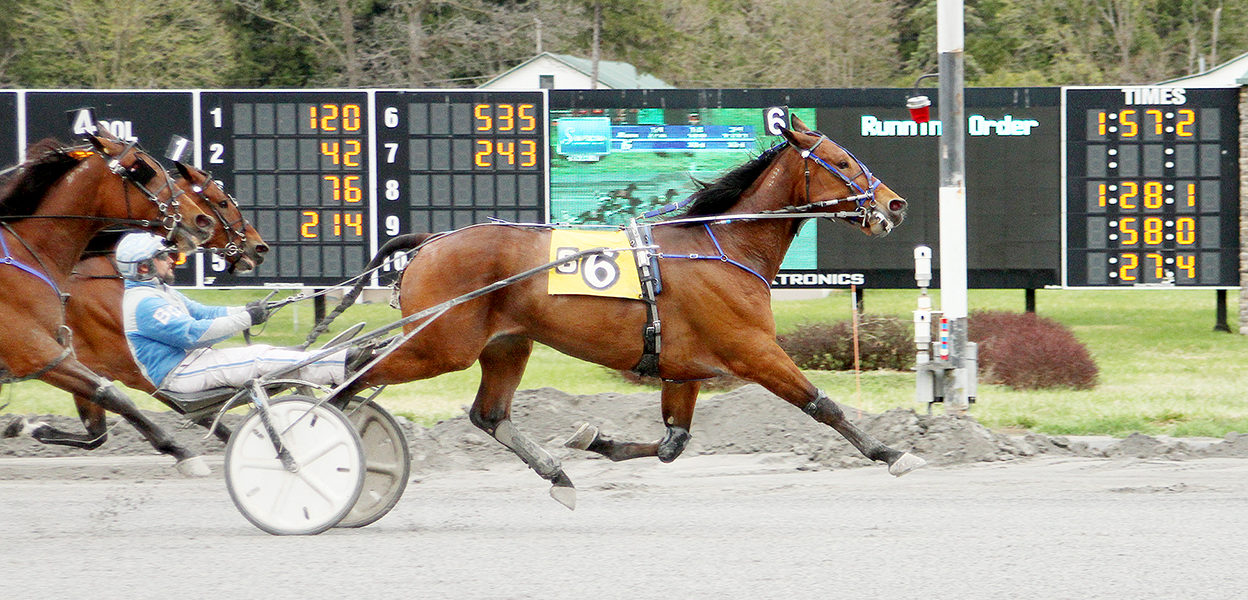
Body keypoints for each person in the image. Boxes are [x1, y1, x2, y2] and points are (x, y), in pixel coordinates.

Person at [116, 232, 352, 394]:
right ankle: (340, 366)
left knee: (262, 353)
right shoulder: (144, 303)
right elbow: (193, 334)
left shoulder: (159, 291)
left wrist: (246, 310)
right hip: (180, 374)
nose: (170, 260)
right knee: (260, 358)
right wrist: (246, 319)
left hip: (191, 363)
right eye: (161, 256)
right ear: (143, 267)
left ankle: (333, 364)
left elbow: (204, 313)